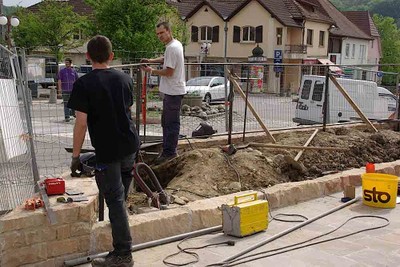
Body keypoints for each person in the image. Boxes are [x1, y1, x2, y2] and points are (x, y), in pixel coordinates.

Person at [68, 35, 139, 267]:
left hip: (108, 150)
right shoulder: (125, 79)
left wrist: (76, 157)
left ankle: (122, 254)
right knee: (120, 195)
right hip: (130, 145)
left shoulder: (83, 84)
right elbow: (128, 111)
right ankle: (121, 232)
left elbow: (81, 123)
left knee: (115, 200)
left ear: (87, 56)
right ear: (111, 56)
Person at [141, 21, 186, 164]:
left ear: (168, 31)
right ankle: (168, 151)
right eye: (158, 34)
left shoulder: (172, 48)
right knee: (167, 122)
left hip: (173, 91)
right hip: (173, 90)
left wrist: (151, 70)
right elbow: (166, 60)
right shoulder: (175, 45)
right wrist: (151, 60)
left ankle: (169, 153)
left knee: (170, 124)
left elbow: (169, 71)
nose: (159, 36)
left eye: (161, 33)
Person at [57, 58, 79, 122]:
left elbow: (77, 80)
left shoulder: (74, 71)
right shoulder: (62, 71)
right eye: (66, 63)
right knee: (66, 103)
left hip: (72, 90)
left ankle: (73, 113)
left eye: (68, 63)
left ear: (70, 63)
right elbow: (59, 80)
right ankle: (67, 116)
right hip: (65, 90)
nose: (66, 64)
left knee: (73, 103)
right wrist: (60, 89)